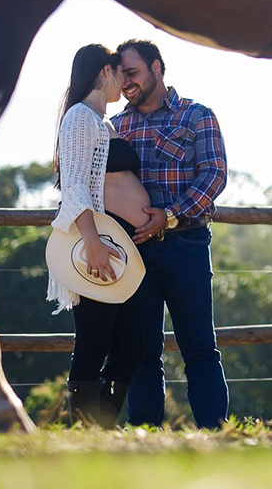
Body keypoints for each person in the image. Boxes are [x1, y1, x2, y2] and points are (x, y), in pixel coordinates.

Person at [111, 39, 229, 428]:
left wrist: (171, 215)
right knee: (143, 350)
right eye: (120, 74)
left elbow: (214, 174)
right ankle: (146, 438)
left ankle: (215, 434)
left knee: (199, 347)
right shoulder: (117, 126)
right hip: (134, 250)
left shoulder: (196, 115)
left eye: (132, 72)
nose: (125, 82)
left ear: (157, 67)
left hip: (186, 244)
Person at [49, 44, 152, 428]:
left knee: (132, 343)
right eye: (120, 73)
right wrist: (91, 242)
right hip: (96, 245)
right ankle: (87, 432)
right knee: (94, 341)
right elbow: (75, 187)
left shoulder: (101, 122)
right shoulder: (79, 118)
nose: (124, 82)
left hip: (118, 243)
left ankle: (101, 426)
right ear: (104, 72)